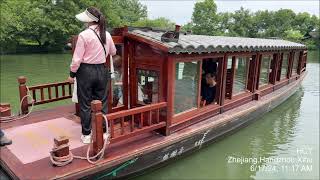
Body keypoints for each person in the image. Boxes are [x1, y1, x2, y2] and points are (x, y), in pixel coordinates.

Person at [68, 7, 116, 144]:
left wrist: (71, 75)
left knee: (85, 104)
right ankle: (104, 133)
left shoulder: (83, 35)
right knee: (102, 103)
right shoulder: (107, 34)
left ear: (88, 21)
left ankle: (87, 134)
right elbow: (113, 52)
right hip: (102, 70)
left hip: (86, 72)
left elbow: (77, 59)